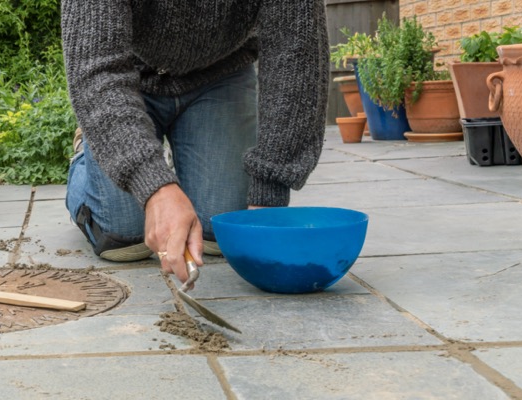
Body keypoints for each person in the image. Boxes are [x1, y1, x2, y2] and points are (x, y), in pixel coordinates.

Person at [61, 1, 328, 287]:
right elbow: (96, 68)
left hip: (219, 72)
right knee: (123, 237)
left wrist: (269, 192)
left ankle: (183, 165)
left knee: (221, 230)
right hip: (127, 79)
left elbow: (297, 52)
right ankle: (84, 159)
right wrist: (154, 186)